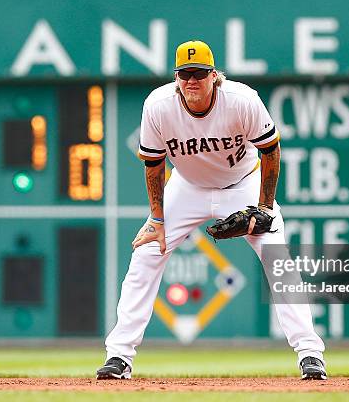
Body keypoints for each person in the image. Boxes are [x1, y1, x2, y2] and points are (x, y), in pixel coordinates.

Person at [96, 40, 326, 380]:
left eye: (199, 74)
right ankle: (119, 357)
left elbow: (271, 151)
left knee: (278, 259)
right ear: (176, 77)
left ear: (214, 76)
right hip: (187, 188)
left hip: (243, 185)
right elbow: (154, 165)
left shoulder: (242, 101)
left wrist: (263, 208)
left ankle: (310, 354)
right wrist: (157, 219)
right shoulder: (158, 106)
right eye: (184, 74)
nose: (191, 81)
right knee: (146, 254)